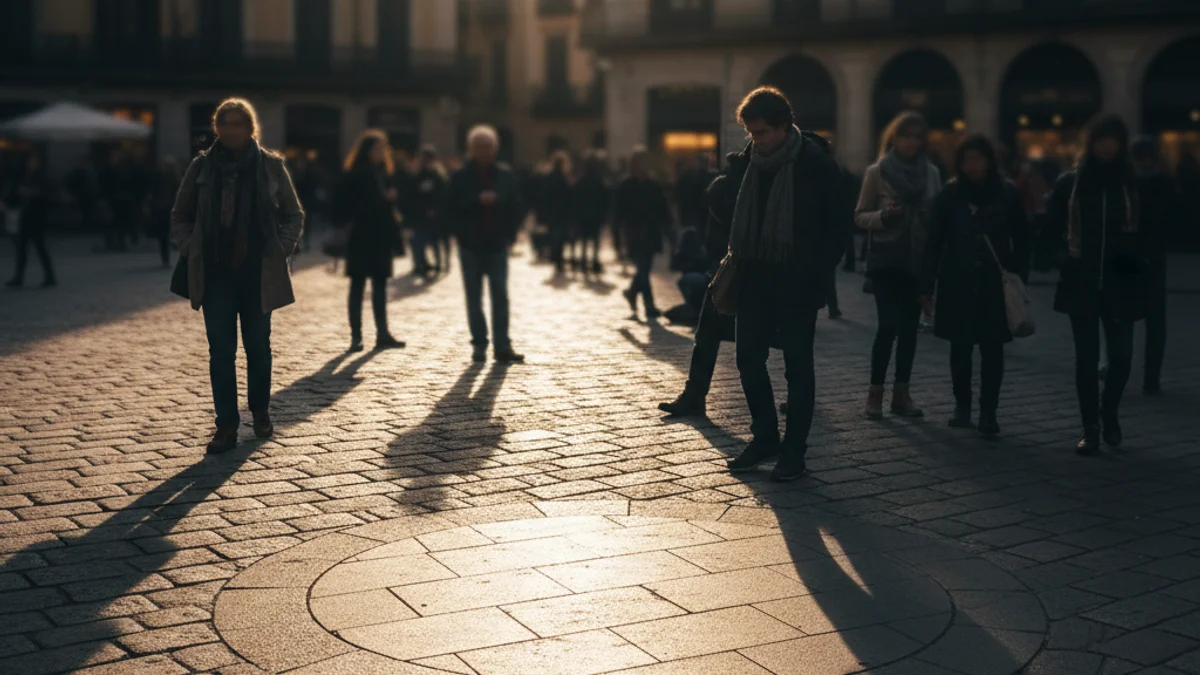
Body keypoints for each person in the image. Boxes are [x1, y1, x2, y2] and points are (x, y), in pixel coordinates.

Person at [709, 86, 848, 482]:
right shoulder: (748, 164)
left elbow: (838, 226)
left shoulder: (815, 164)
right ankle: (765, 436)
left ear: (785, 127)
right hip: (753, 278)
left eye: (765, 133)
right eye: (753, 133)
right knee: (747, 359)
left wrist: (817, 274)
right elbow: (721, 209)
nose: (759, 141)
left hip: (797, 282)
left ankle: (794, 450)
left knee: (797, 367)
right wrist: (726, 182)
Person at [170, 98, 305, 454]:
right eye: (225, 123)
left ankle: (259, 410)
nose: (231, 129)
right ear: (217, 127)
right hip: (215, 275)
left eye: (238, 123)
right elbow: (180, 214)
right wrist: (190, 247)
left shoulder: (271, 167)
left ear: (250, 128)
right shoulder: (202, 167)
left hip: (258, 273)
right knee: (221, 353)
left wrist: (281, 248)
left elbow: (294, 214)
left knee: (259, 348)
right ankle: (226, 426)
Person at [1047, 115, 1151, 455]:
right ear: (1090, 143)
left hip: (1122, 283)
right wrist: (1065, 257)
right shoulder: (1071, 183)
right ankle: (1090, 427)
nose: (1107, 145)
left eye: (1113, 139)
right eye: (1101, 139)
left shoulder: (1132, 184)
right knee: (1086, 359)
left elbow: (1151, 231)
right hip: (1082, 282)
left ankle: (1110, 412)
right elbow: (1051, 228)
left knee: (1121, 358)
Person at [920, 135, 1030, 438]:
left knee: (993, 351)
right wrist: (926, 285)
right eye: (967, 160)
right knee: (961, 349)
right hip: (957, 280)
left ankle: (989, 412)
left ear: (989, 161)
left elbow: (1022, 238)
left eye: (978, 159)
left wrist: (1019, 275)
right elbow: (934, 242)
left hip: (994, 283)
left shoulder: (1006, 193)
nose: (973, 166)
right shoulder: (950, 194)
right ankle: (963, 406)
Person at [855, 111, 942, 419]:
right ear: (894, 137)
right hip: (887, 260)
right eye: (906, 136)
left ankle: (901, 394)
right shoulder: (878, 172)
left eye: (918, 137)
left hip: (917, 261)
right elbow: (860, 215)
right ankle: (875, 393)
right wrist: (884, 215)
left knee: (909, 331)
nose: (911, 142)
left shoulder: (931, 173)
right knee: (888, 327)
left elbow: (938, 216)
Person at [445, 125, 525, 363]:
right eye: (479, 146)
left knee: (500, 296)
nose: (484, 151)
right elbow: (450, 209)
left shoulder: (504, 174)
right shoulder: (460, 176)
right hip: (470, 245)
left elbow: (516, 206)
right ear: (471, 149)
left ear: (495, 148)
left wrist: (510, 235)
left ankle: (502, 346)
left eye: (488, 146)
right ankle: (479, 344)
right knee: (474, 298)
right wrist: (477, 202)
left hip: (497, 243)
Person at [335, 129, 405, 353]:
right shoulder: (355, 174)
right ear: (367, 151)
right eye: (378, 148)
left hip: (381, 237)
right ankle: (356, 337)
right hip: (361, 236)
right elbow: (343, 207)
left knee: (380, 286)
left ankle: (382, 333)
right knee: (357, 287)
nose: (382, 152)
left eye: (384, 148)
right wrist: (382, 200)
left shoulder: (385, 173)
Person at [1130, 136, 1180, 395]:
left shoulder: (1128, 184)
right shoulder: (1164, 183)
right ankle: (1152, 378)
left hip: (1129, 256)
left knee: (1122, 317)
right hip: (1154, 256)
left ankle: (1119, 370)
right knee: (1155, 321)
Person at [615, 148, 671, 319]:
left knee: (644, 269)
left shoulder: (653, 184)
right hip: (634, 234)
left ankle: (632, 292)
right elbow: (618, 213)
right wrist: (617, 238)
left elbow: (663, 209)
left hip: (651, 233)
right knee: (643, 268)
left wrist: (669, 230)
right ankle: (649, 305)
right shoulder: (626, 184)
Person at [4, 155, 57, 289]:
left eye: (34, 162)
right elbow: (13, 194)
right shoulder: (22, 177)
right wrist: (7, 203)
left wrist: (31, 193)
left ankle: (49, 276)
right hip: (24, 218)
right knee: (21, 249)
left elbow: (46, 194)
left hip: (37, 218)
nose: (32, 165)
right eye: (30, 162)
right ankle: (18, 277)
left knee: (40, 249)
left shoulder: (42, 178)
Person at [408, 145, 449, 276]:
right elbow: (412, 195)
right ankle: (421, 264)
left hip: (436, 215)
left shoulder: (438, 176)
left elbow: (443, 195)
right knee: (418, 242)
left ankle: (438, 264)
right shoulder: (416, 176)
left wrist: (436, 209)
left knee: (435, 241)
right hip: (420, 215)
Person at [572, 150, 610, 275]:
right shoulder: (598, 181)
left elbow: (576, 199)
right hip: (595, 216)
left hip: (584, 215)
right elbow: (604, 199)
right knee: (594, 241)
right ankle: (593, 261)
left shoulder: (582, 181)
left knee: (584, 241)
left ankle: (584, 262)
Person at [542, 151, 573, 276]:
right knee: (559, 237)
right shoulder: (562, 177)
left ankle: (556, 258)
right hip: (560, 212)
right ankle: (557, 259)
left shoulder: (550, 176)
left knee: (555, 236)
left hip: (553, 212)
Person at [153, 157, 183, 268]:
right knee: (164, 234)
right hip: (164, 208)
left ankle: (167, 258)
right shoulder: (160, 177)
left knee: (166, 234)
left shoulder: (174, 178)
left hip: (169, 208)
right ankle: (166, 258)